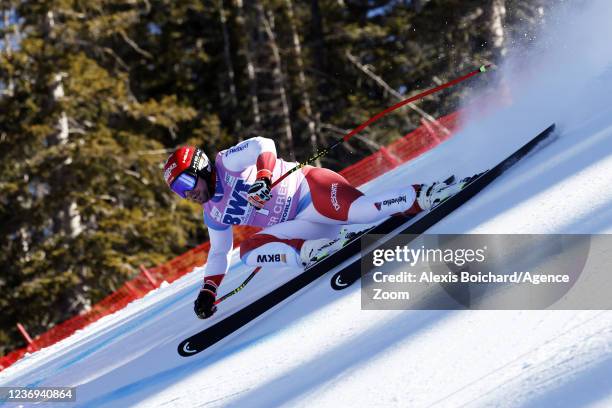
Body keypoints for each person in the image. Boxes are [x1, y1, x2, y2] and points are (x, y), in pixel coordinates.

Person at [163, 137, 466, 319]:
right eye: (178, 190)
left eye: (186, 182)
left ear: (201, 168)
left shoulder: (226, 163)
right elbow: (219, 251)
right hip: (301, 227)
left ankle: (427, 194)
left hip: (311, 190)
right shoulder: (212, 212)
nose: (187, 193)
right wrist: (208, 290)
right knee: (248, 250)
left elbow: (263, 144)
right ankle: (313, 252)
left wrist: (265, 177)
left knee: (363, 212)